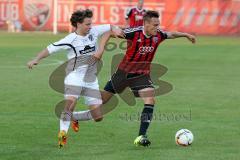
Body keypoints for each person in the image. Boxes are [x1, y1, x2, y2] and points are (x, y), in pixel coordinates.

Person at [72, 10, 196, 147]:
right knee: (101, 103)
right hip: (123, 73)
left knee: (150, 100)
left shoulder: (158, 35)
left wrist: (186, 35)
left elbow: (171, 34)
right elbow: (108, 33)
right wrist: (100, 49)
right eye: (154, 25)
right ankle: (76, 115)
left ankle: (141, 136)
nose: (157, 27)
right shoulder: (133, 32)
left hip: (141, 75)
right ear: (146, 24)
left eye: (158, 24)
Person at [27, 9, 123, 148]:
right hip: (75, 77)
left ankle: (75, 117)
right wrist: (36, 59)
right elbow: (50, 48)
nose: (90, 26)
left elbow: (110, 27)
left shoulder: (94, 31)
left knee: (98, 117)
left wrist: (117, 30)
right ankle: (63, 133)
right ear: (78, 24)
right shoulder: (70, 39)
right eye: (87, 24)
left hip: (91, 79)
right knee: (70, 103)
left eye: (91, 23)